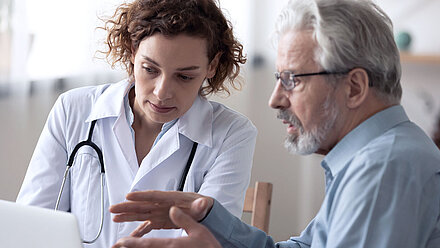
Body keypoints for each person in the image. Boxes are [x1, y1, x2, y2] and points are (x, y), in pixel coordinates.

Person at [110, 0, 440, 247]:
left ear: (354, 87)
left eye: (292, 79)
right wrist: (213, 219)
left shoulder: (382, 168)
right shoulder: (375, 157)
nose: (275, 99)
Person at [16, 0, 257, 247]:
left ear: (212, 66)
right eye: (150, 69)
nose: (162, 92)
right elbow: (29, 226)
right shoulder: (72, 111)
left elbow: (209, 242)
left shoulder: (232, 134)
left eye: (184, 76)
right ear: (133, 51)